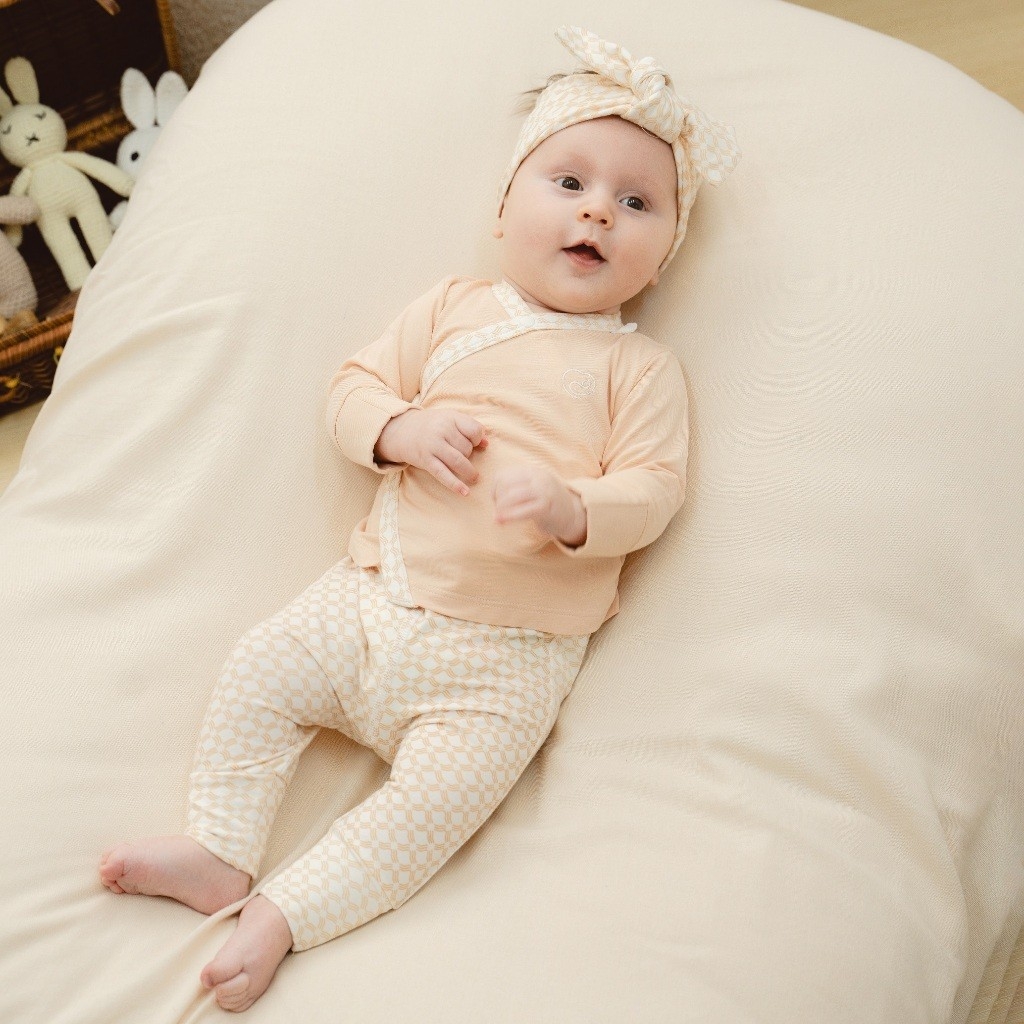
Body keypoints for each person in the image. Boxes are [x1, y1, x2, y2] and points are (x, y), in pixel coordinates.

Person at [98, 25, 739, 1013]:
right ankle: (220, 844)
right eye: (569, 182)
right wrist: (400, 429)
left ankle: (285, 913)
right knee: (260, 669)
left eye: (637, 203)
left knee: (434, 810)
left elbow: (654, 488)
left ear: (661, 262)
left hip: (508, 662)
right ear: (503, 211)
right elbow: (350, 388)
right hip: (371, 597)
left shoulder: (637, 368)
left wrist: (575, 508)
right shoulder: (451, 310)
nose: (597, 212)